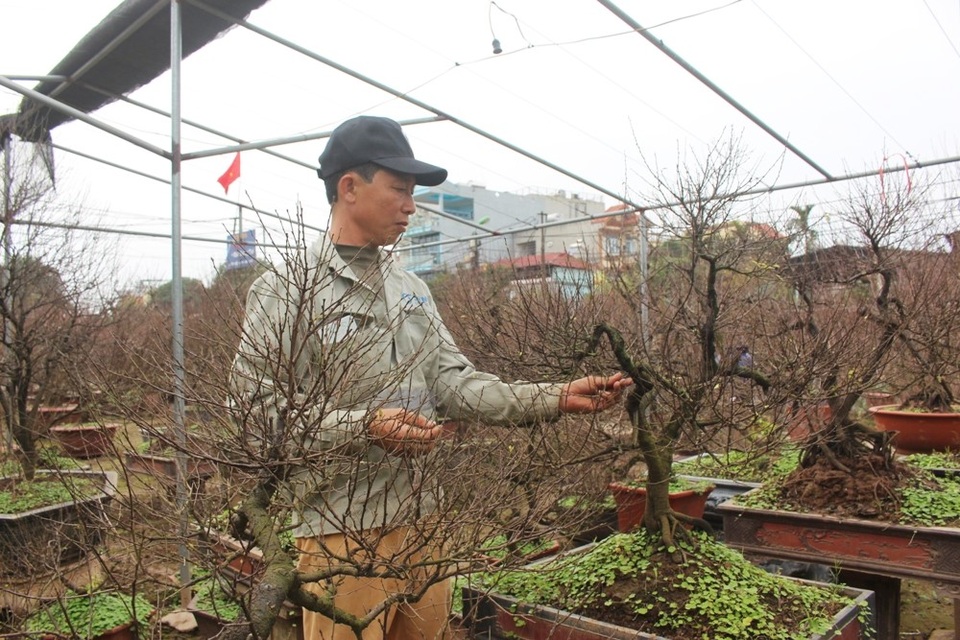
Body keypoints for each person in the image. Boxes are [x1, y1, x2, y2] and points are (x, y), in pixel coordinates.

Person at [230, 115, 631, 640]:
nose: (410, 206)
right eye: (398, 189)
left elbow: (454, 382)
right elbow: (255, 412)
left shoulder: (411, 287)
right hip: (341, 531)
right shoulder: (287, 290)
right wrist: (364, 426)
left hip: (424, 522)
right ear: (349, 187)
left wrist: (553, 396)